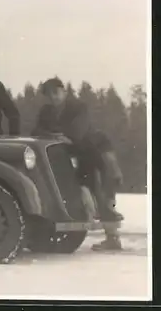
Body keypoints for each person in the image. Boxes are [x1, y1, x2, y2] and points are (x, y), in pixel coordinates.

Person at [32, 77, 124, 251]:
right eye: (49, 94)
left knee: (102, 190)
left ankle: (113, 238)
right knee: (80, 190)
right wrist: (58, 136)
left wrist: (58, 135)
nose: (53, 97)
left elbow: (78, 132)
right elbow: (37, 130)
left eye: (56, 92)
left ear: (64, 91)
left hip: (96, 150)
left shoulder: (78, 107)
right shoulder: (46, 111)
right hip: (76, 154)